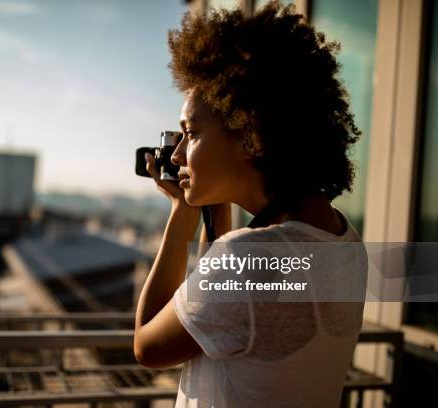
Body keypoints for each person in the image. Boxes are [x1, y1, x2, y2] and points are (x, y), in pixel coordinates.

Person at [133, 2, 368, 407]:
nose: (176, 156)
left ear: (248, 135)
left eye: (192, 133)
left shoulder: (247, 260)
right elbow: (235, 317)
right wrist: (211, 208)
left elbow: (147, 346)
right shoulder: (343, 240)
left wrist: (181, 214)